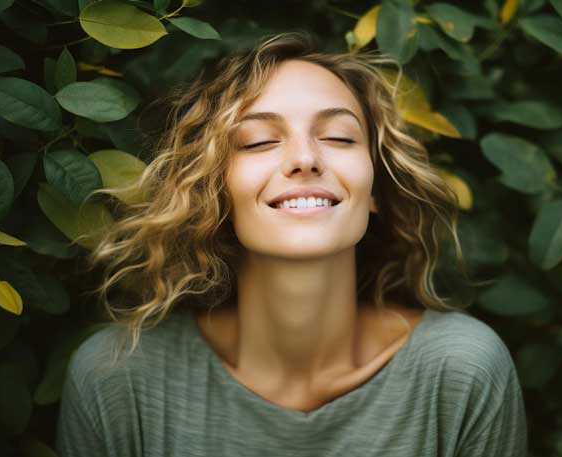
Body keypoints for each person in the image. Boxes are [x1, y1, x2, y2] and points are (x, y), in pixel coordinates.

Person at [55, 31, 528, 456]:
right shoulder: (116, 377)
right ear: (213, 190)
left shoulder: (463, 370)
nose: (305, 158)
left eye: (339, 137)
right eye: (259, 141)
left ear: (377, 190)